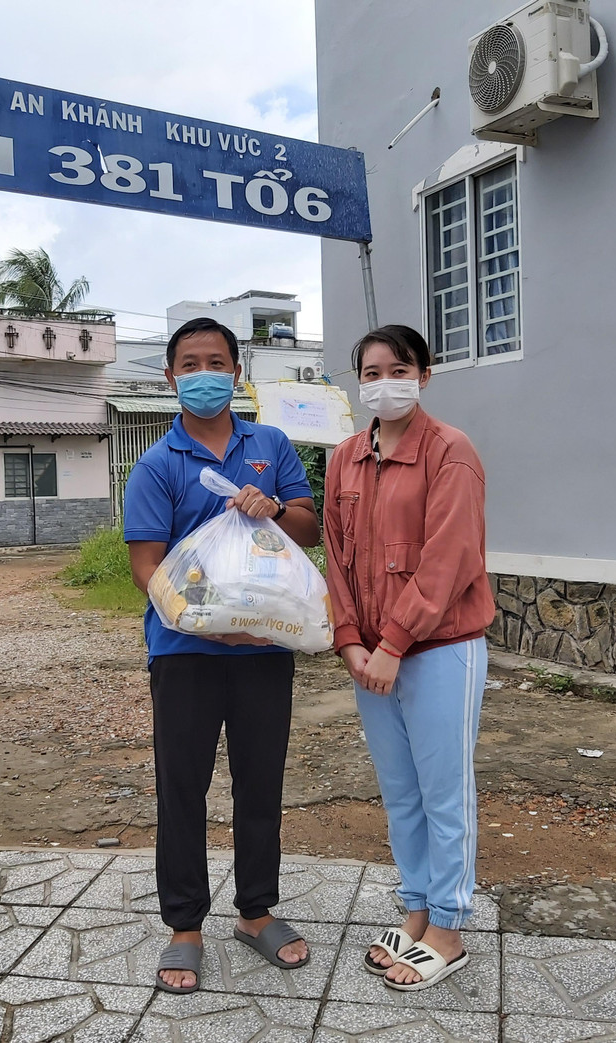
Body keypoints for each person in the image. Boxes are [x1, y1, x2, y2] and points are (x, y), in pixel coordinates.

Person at [124, 316, 321, 994]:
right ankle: (185, 926)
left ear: (237, 372)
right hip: (185, 654)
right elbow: (146, 567)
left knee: (260, 783)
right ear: (170, 377)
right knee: (182, 788)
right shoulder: (158, 465)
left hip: (266, 646)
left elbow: (309, 527)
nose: (204, 373)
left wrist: (274, 509)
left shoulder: (269, 444)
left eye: (216, 362)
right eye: (190, 363)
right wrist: (212, 628)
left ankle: (256, 911)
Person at [323, 324, 495, 992]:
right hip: (370, 658)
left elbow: (451, 557)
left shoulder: (450, 451)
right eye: (371, 373)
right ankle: (417, 909)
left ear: (424, 375)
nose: (384, 383)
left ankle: (448, 928)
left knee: (444, 791)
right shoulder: (345, 458)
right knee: (401, 794)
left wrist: (394, 643)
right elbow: (336, 556)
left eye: (399, 370)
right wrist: (350, 640)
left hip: (439, 649)